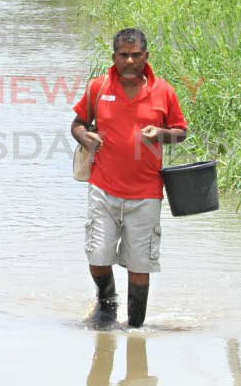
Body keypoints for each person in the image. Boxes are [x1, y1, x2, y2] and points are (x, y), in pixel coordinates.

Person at [71, 28, 187, 329]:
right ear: (114, 57)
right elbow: (77, 124)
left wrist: (162, 134)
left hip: (147, 192)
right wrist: (86, 137)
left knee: (140, 264)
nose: (130, 60)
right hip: (103, 187)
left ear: (146, 56)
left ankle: (135, 327)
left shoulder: (164, 91)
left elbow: (181, 131)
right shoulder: (98, 87)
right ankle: (107, 305)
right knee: (98, 255)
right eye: (123, 55)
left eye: (136, 55)